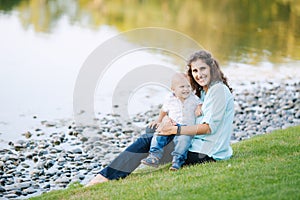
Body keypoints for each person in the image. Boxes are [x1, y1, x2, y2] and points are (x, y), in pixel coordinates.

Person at [86, 50, 234, 186]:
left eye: (203, 69)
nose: (199, 74)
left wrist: (174, 130)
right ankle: (109, 174)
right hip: (198, 146)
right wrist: (169, 121)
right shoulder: (204, 92)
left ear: (211, 68)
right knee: (152, 130)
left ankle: (104, 177)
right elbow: (189, 116)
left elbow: (208, 128)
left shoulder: (218, 91)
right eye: (195, 70)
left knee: (148, 139)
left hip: (207, 153)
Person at [141, 73, 202, 171]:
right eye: (182, 86)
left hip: (186, 128)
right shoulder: (169, 98)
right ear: (173, 89)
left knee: (184, 141)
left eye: (188, 86)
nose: (186, 89)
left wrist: (199, 108)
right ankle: (154, 156)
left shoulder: (193, 98)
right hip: (172, 125)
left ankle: (177, 161)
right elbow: (164, 110)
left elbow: (200, 103)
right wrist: (159, 121)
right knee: (159, 134)